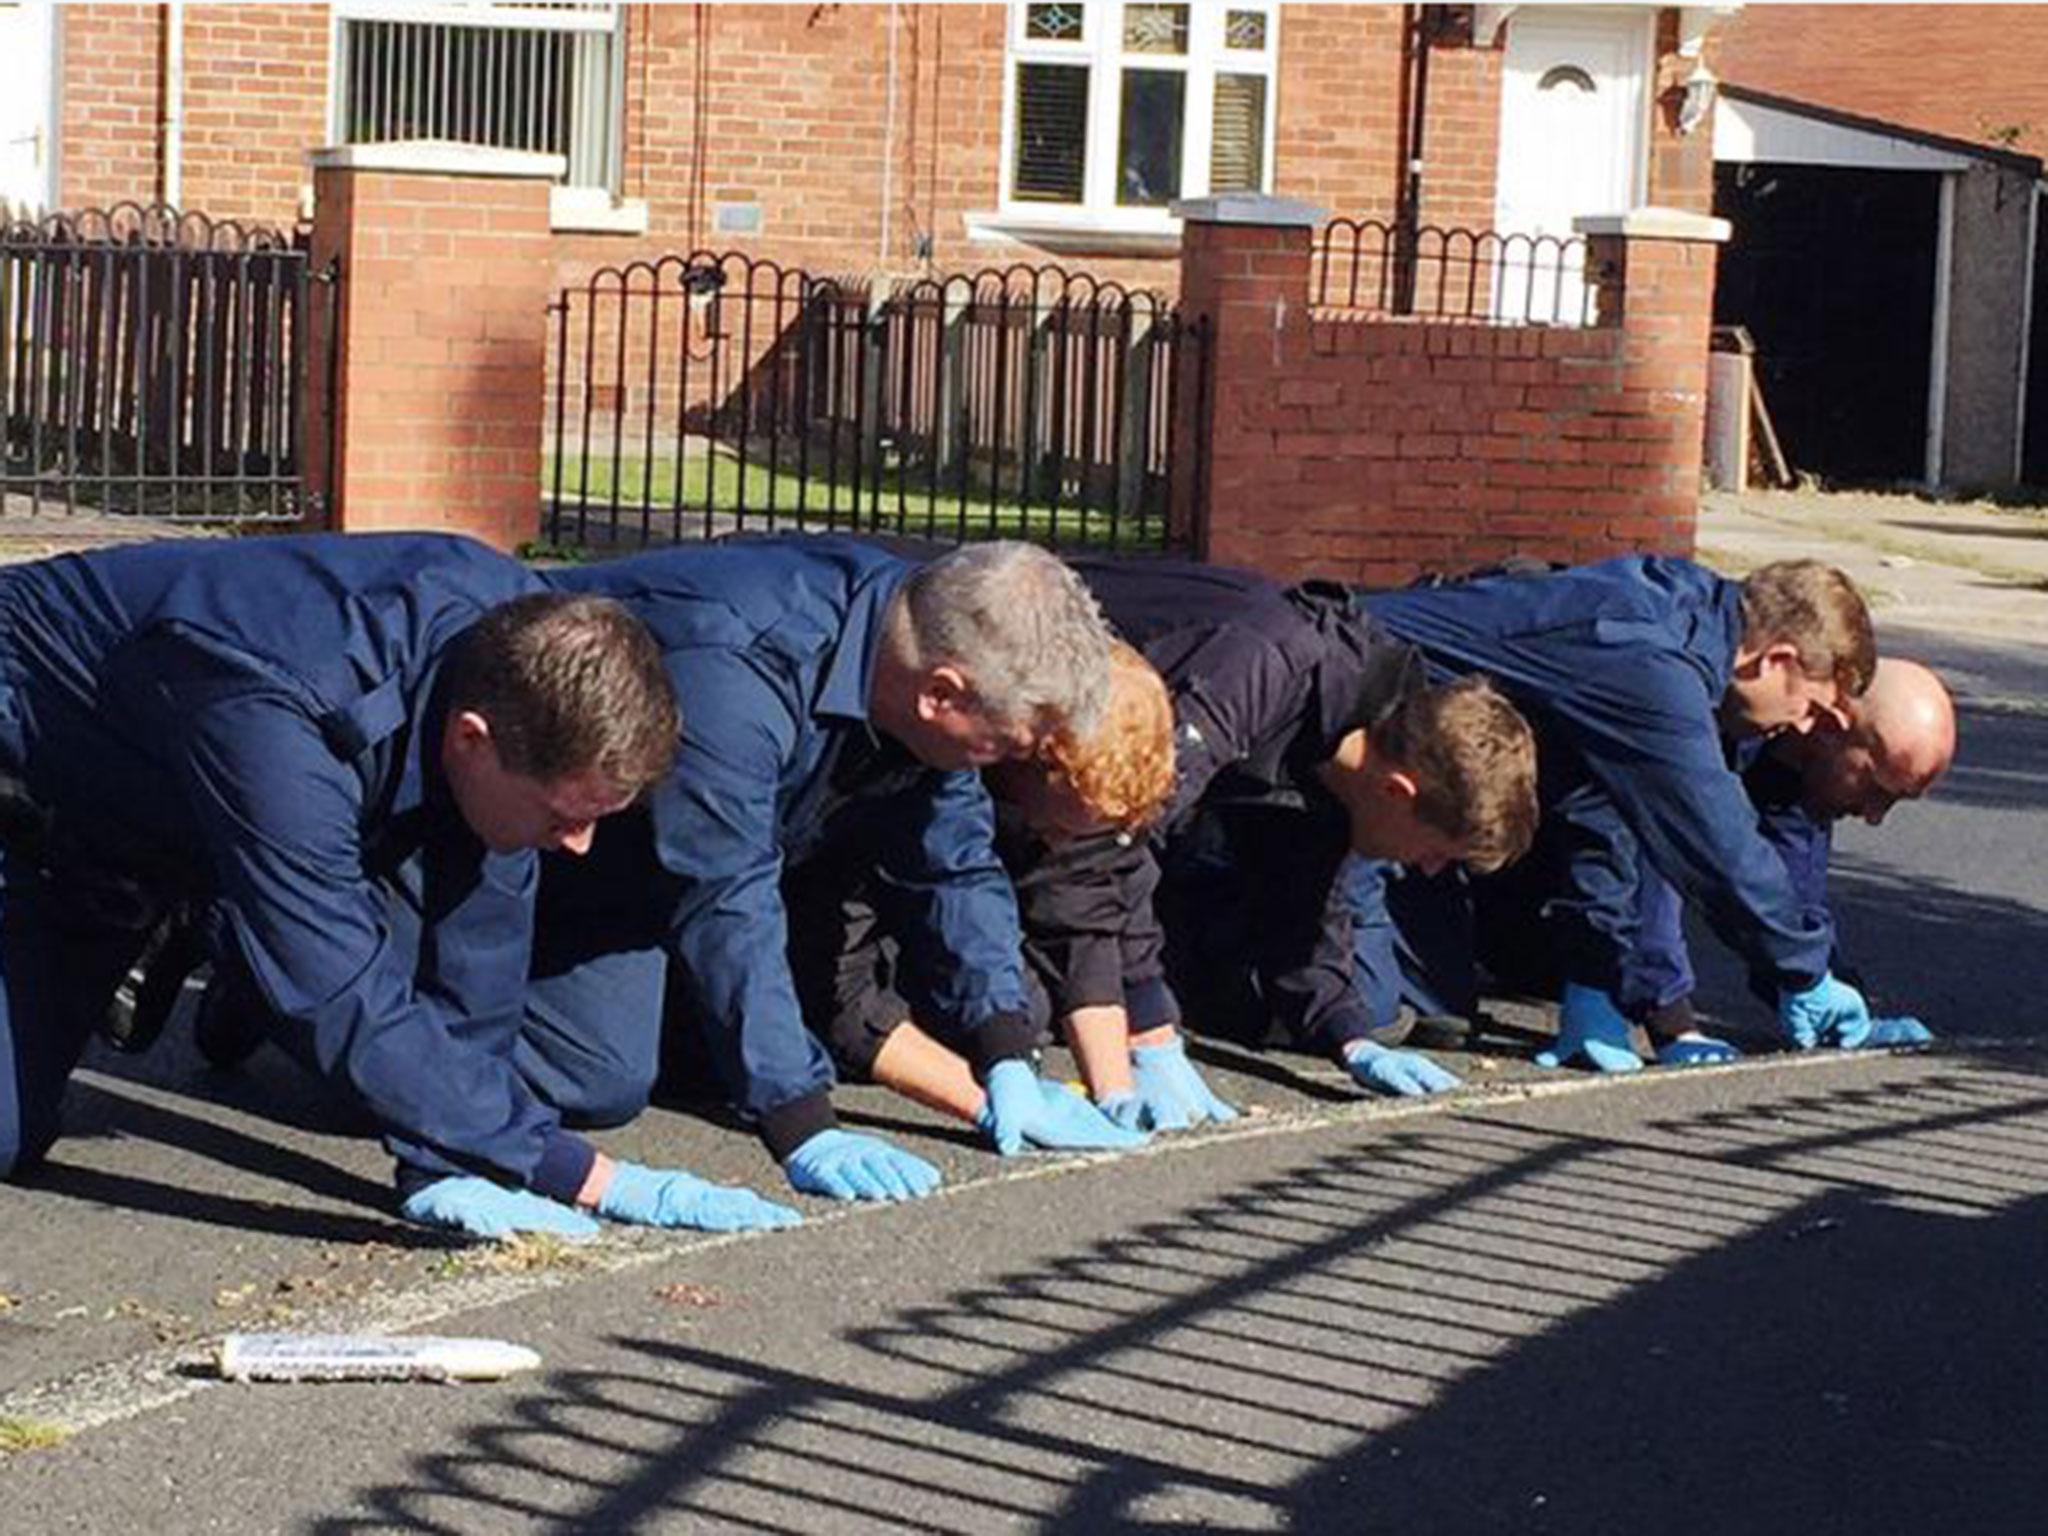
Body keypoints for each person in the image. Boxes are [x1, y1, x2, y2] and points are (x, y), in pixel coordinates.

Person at [0, 533, 799, 1243]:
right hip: (37, 778)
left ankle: (210, 899)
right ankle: (214, 905)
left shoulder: (523, 652)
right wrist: (580, 1172)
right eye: (564, 816)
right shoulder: (277, 704)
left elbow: (481, 925)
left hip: (161, 810)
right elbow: (332, 986)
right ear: (470, 740)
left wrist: (449, 1159)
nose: (581, 846)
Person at [824, 559, 1540, 1131]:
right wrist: (1147, 1030)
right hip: (999, 746)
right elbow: (1103, 844)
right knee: (1002, 987)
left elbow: (1305, 902)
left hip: (1055, 808)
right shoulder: (1258, 669)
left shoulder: (1348, 738)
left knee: (1041, 995)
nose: (1429, 869)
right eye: (1440, 849)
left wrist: (1348, 1036)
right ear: (1399, 791)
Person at [521, 535, 1129, 1204]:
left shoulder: (912, 649)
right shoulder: (738, 668)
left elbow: (951, 861)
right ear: (941, 694)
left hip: (660, 854)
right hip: (535, 837)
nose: (1004, 765)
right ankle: (416, 1072)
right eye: (1004, 745)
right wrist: (800, 1121)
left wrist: (1005, 1048)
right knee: (600, 1074)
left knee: (670, 1045)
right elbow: (725, 896)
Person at [1349, 555, 1883, 1073]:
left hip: (1420, 790)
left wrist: (1592, 976)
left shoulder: (1679, 620)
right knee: (1369, 1012)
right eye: (1811, 707)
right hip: (1351, 755)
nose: (1807, 728)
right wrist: (1806, 971)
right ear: (1777, 660)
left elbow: (1598, 812)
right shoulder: (1650, 663)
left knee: (1436, 1008)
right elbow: (1717, 843)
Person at [1612, 656, 1956, 1060]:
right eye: (1876, 788)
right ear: (1831, 729)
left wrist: (1826, 991)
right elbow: (1661, 847)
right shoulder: (1711, 708)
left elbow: (1791, 896)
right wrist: (1671, 1022)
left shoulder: (1805, 764)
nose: (1874, 816)